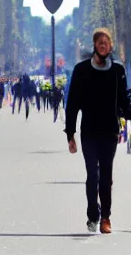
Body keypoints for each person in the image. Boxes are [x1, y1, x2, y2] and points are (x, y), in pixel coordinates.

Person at [65, 28, 131, 234]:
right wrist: (70, 134)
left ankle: (106, 218)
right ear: (95, 45)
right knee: (92, 175)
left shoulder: (118, 71)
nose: (103, 45)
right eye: (100, 42)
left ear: (111, 46)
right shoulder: (82, 70)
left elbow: (123, 101)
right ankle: (93, 212)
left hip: (110, 130)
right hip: (89, 131)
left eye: (107, 42)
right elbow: (73, 103)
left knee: (106, 176)